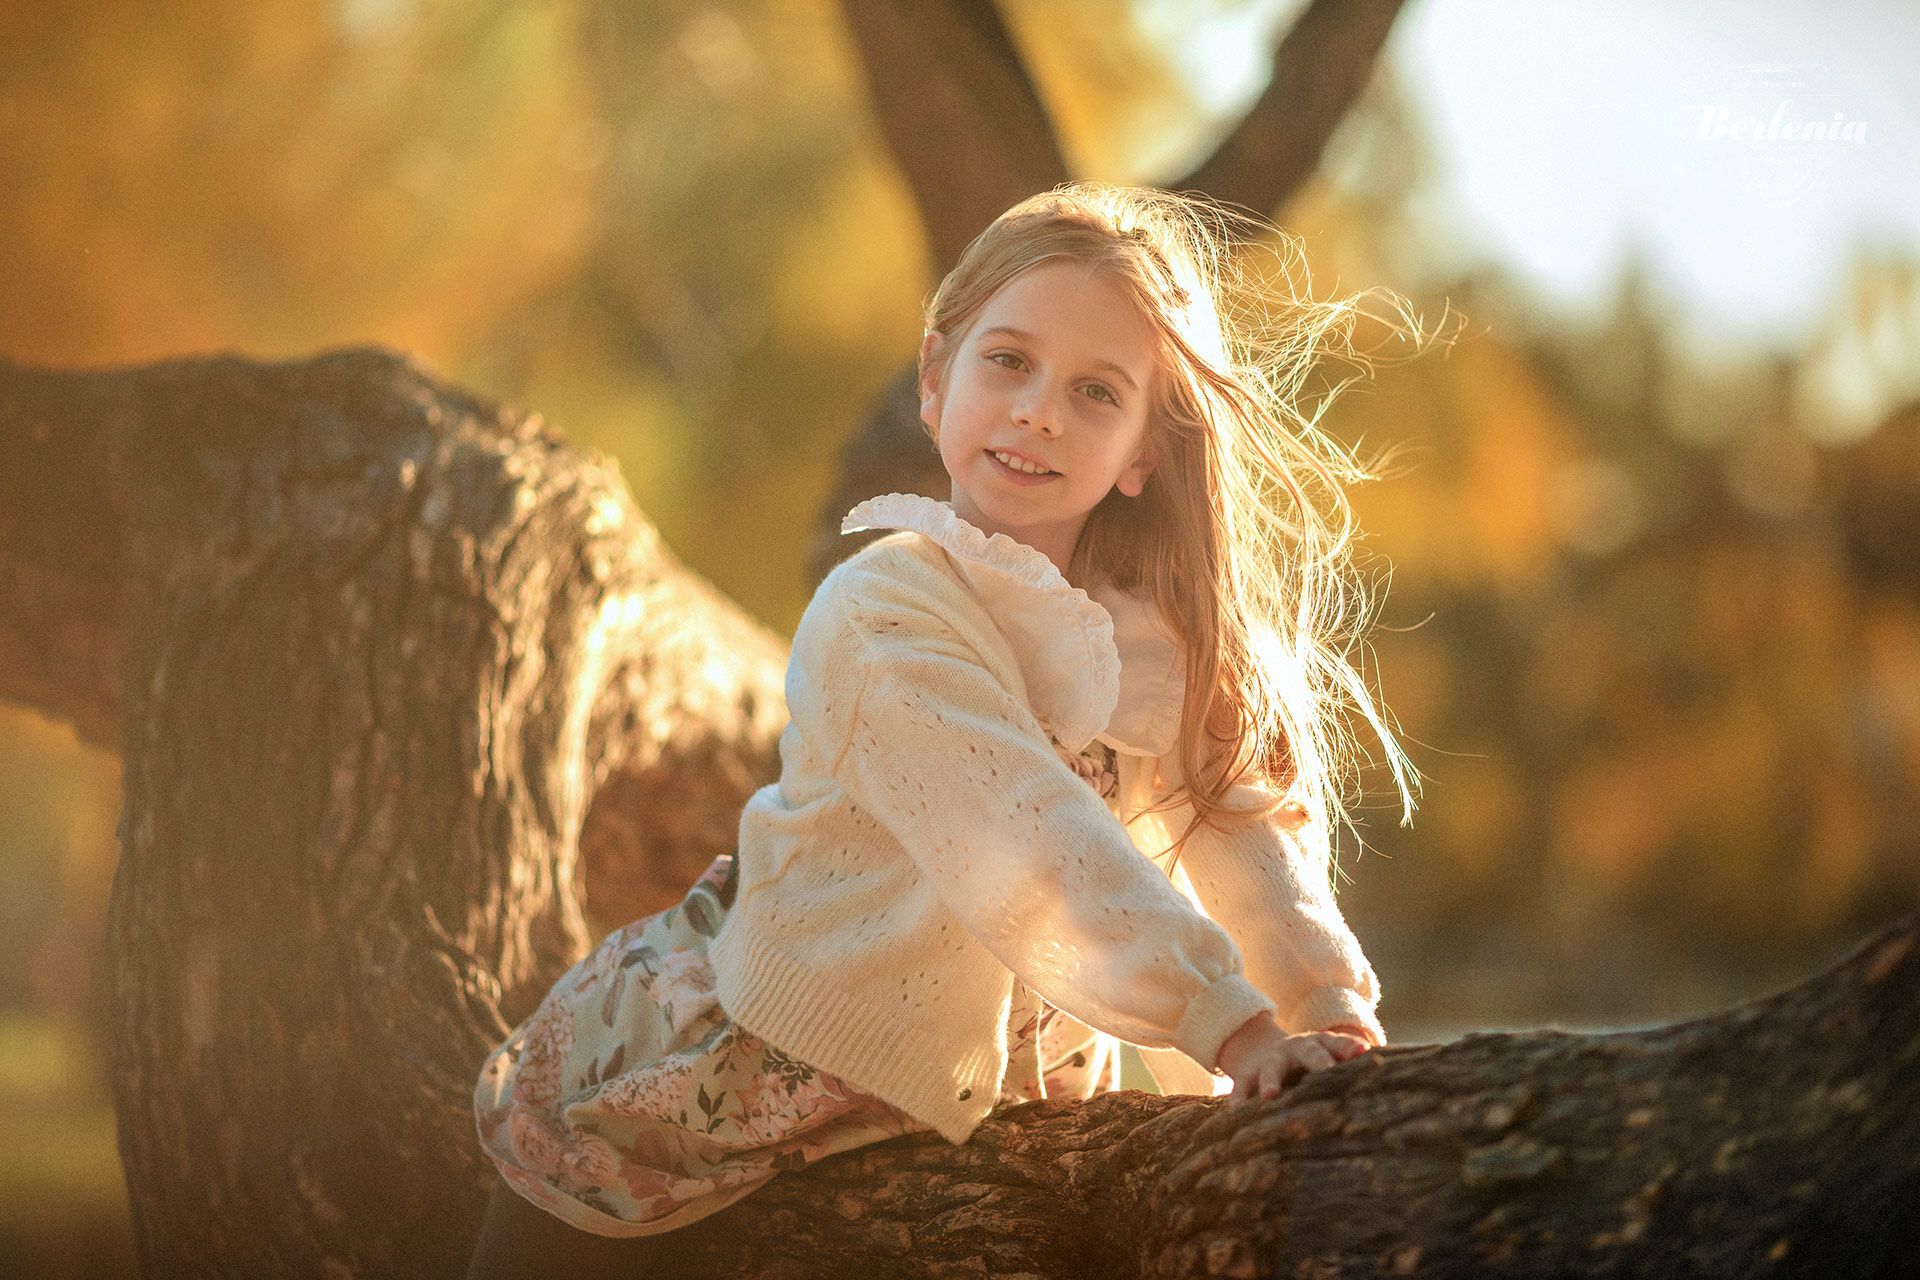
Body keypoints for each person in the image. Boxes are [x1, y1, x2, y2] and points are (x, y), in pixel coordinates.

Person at [468, 182, 1427, 1271]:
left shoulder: (1149, 642)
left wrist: (1325, 1006)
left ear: (1141, 455)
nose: (1039, 411)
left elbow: (1241, 829)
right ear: (936, 380)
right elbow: (1029, 831)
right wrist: (1230, 1021)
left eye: (1097, 392)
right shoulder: (884, 607)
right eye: (1007, 361)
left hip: (996, 1103)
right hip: (744, 1072)